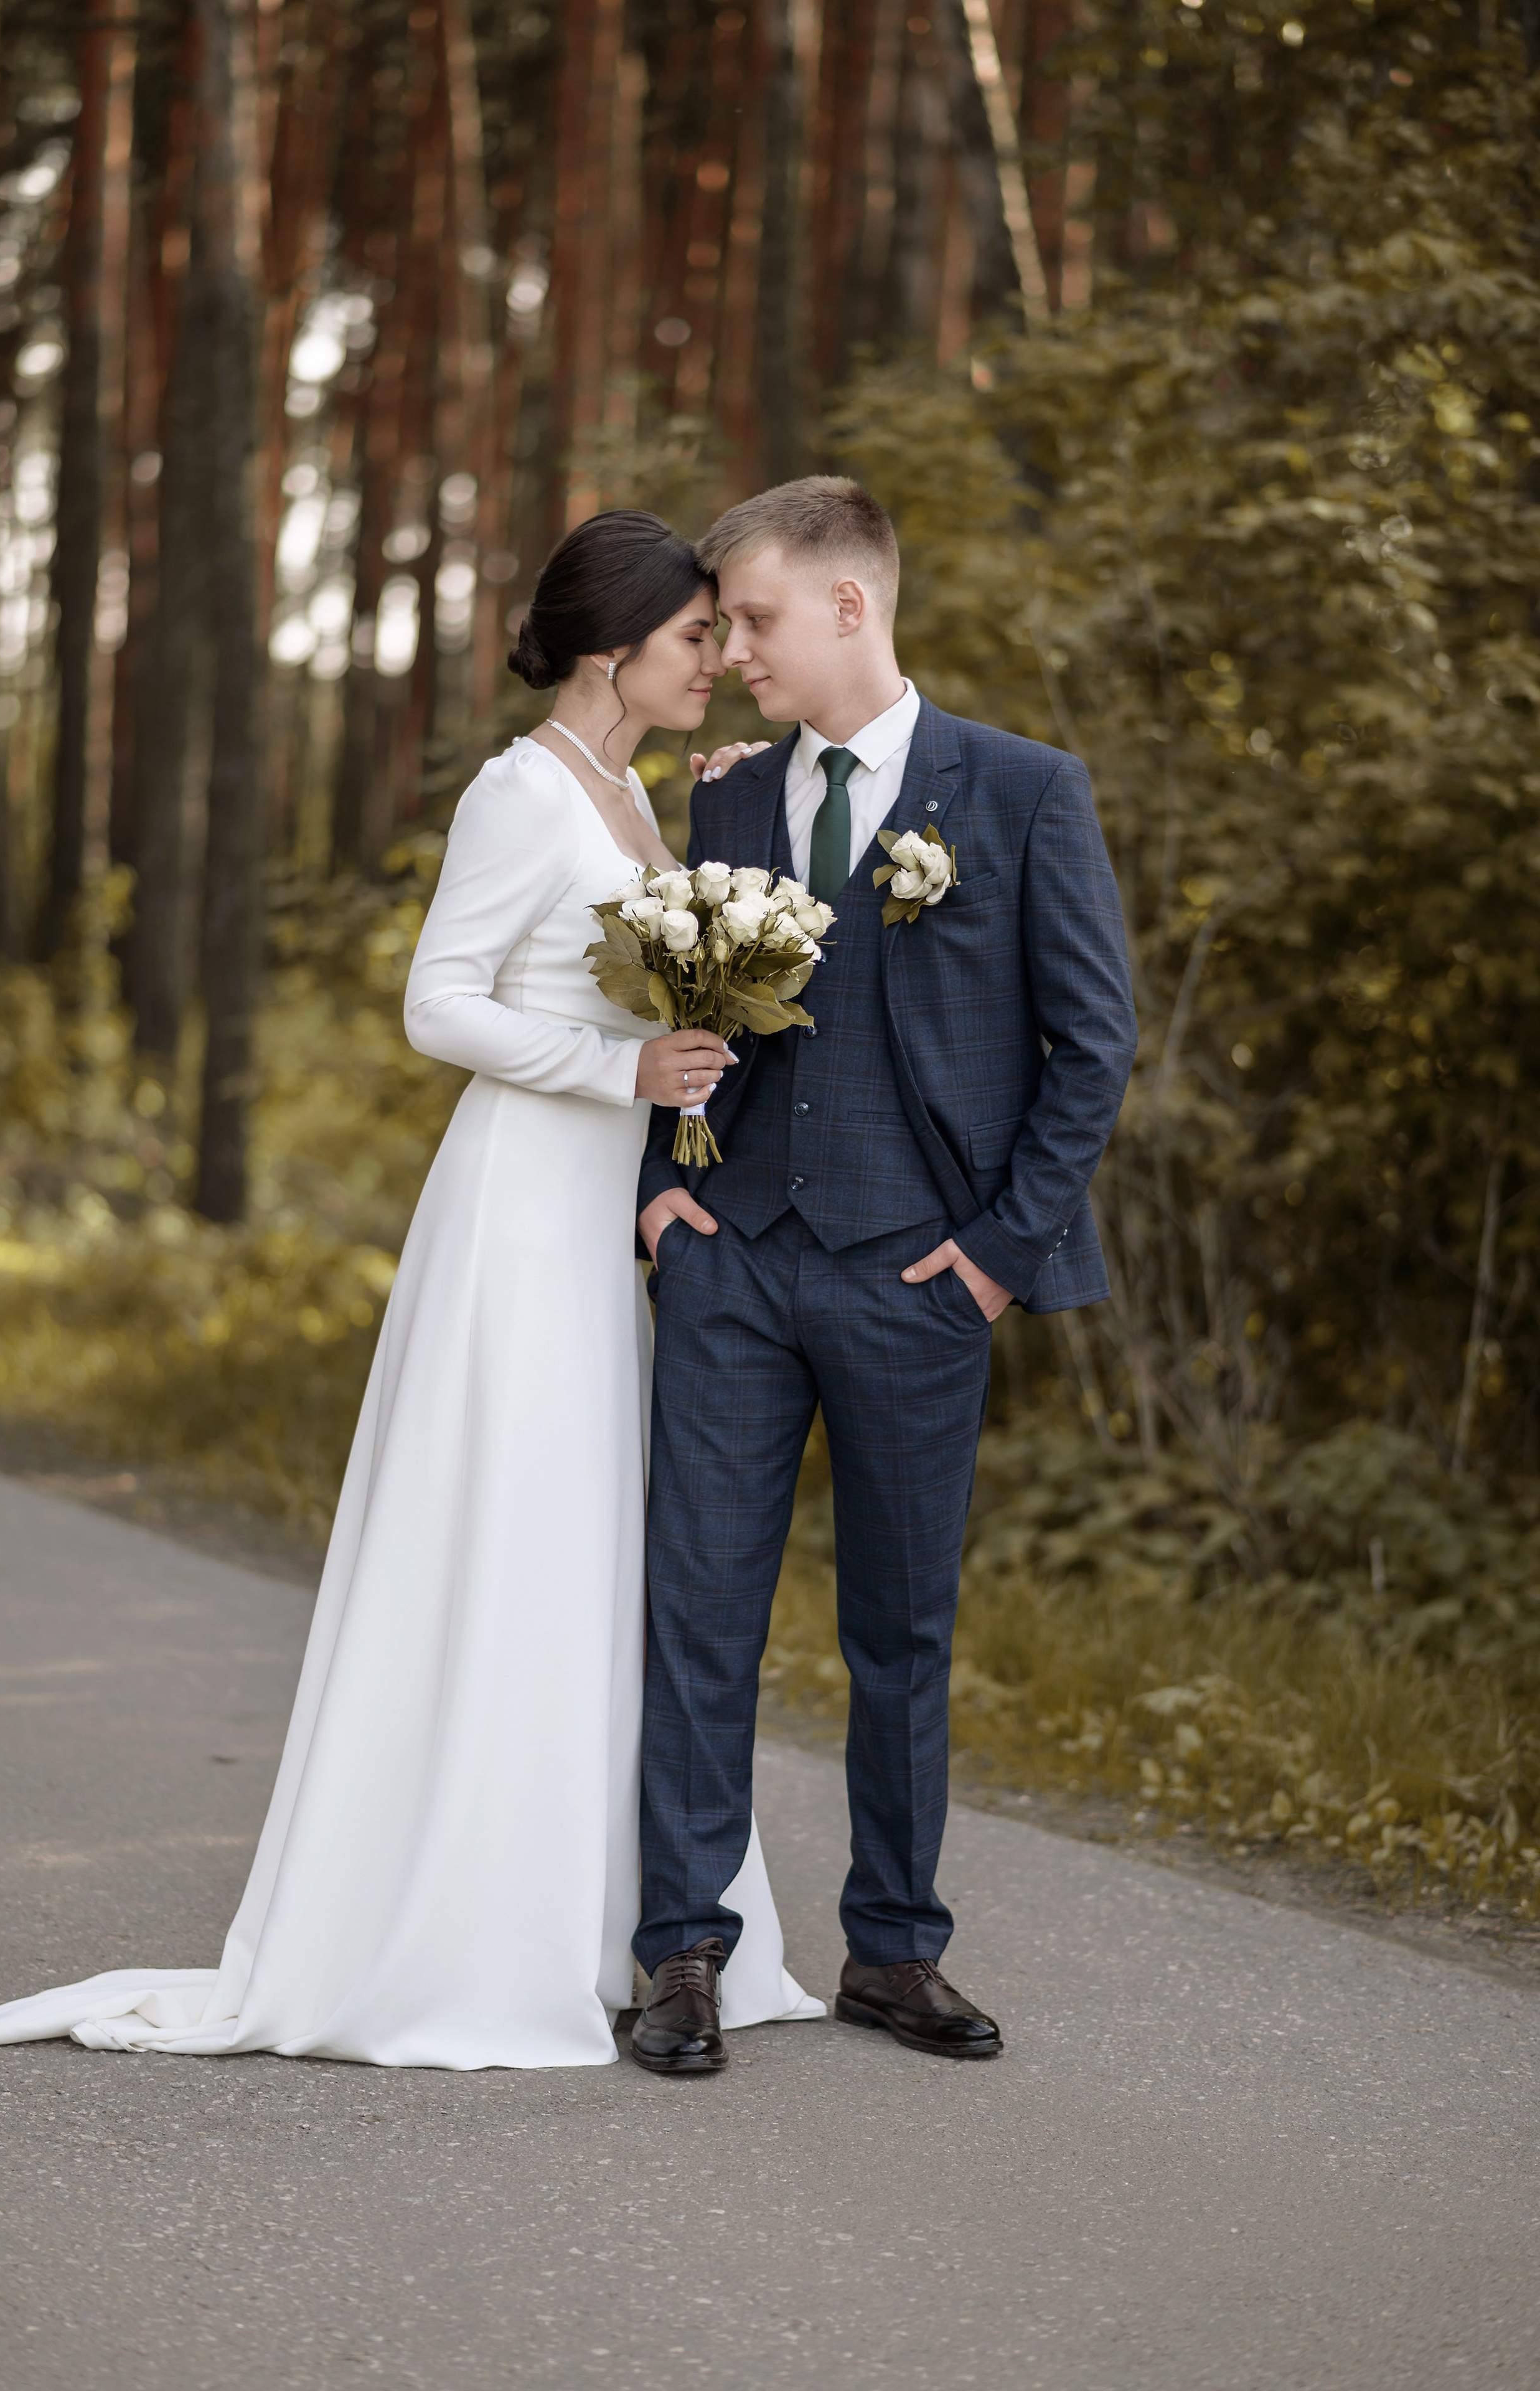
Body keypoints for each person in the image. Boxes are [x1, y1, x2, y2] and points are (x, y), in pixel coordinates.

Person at [0, 510, 822, 2070]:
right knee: (507, 1532)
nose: (714, 658)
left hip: (598, 1211)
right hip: (516, 1208)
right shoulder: (520, 792)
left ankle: (608, 1913)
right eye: (695, 636)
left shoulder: (631, 792)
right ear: (610, 644)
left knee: (588, 1547)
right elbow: (438, 1004)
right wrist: (617, 1074)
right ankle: (467, 1923)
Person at [630, 477, 1137, 2075]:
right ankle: (681, 1952)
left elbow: (1092, 1046)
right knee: (696, 1617)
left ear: (850, 605)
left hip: (917, 1280)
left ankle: (895, 1950)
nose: (733, 654)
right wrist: (660, 1198)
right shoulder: (726, 800)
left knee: (899, 1634)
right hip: (731, 1270)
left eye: (755, 621)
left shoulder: (1023, 791)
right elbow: (685, 1016)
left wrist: (991, 1260)